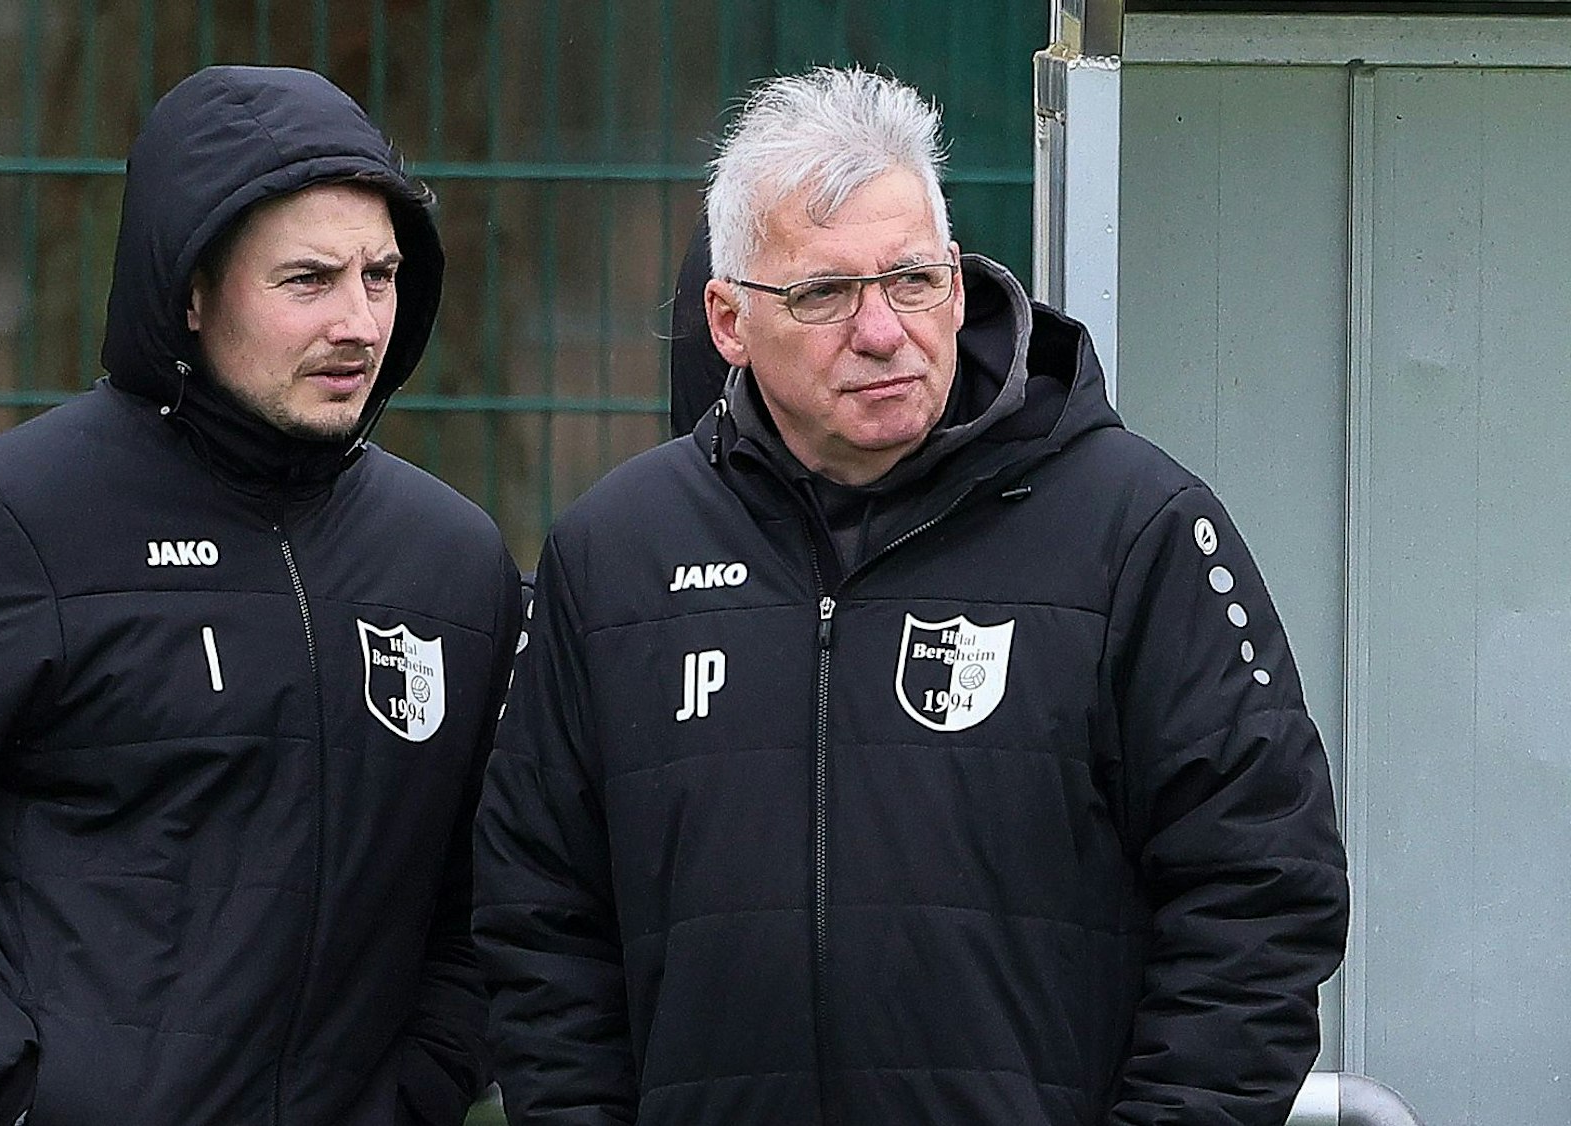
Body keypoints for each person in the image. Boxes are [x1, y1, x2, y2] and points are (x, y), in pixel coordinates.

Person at [475, 66, 1349, 1126]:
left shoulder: (1134, 530)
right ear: (727, 320)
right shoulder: (615, 556)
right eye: (823, 293)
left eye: (913, 279)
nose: (883, 330)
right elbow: (539, 920)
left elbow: (1258, 893)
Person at [0, 66, 519, 1126]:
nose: (359, 321)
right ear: (190, 291)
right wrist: (14, 1094)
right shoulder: (5, 523)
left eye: (380, 275)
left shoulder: (453, 561)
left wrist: (410, 1095)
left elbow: (492, 903)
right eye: (307, 280)